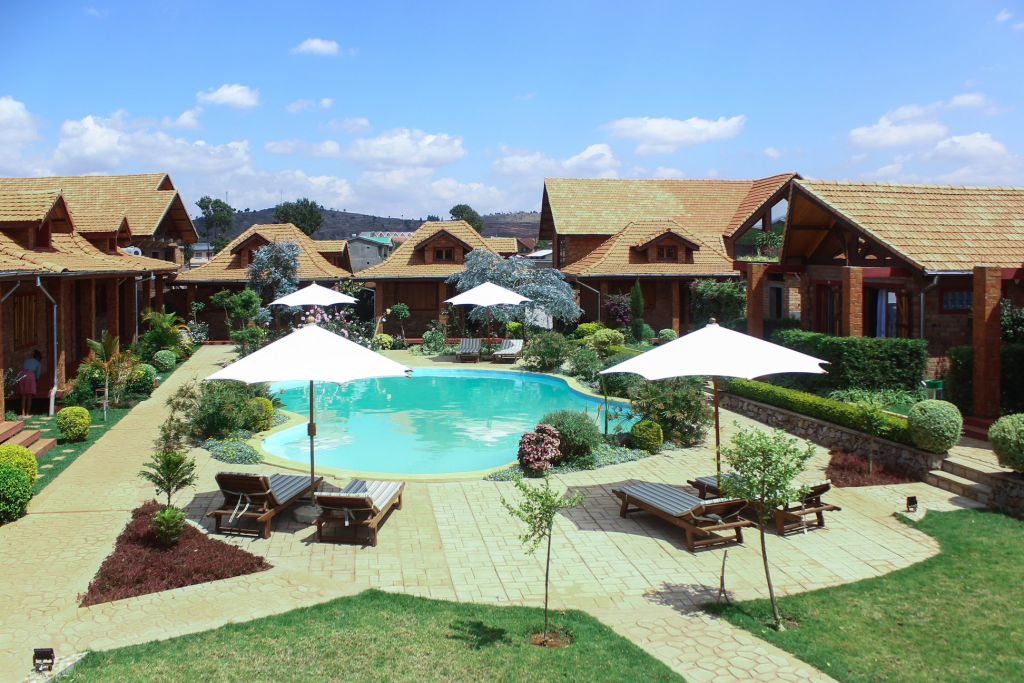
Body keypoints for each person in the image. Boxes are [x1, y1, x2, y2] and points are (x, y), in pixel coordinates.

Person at [18, 350, 42, 418]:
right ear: (38, 358)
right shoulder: (38, 364)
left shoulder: (27, 361)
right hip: (30, 378)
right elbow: (37, 376)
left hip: (22, 377)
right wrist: (36, 384)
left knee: (23, 397)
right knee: (29, 397)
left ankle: (23, 413)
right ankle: (28, 413)